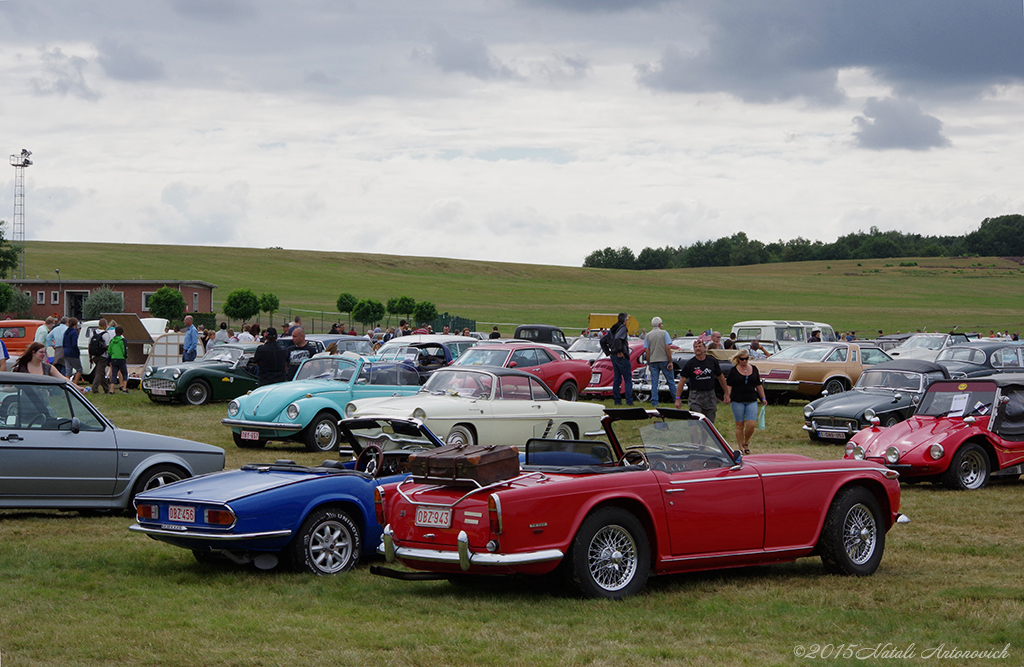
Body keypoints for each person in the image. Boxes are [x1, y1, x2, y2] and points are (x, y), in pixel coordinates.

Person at [723, 351, 768, 455]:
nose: (744, 361)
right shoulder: (733, 371)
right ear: (738, 359)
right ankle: (740, 447)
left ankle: (746, 442)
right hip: (737, 400)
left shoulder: (754, 369)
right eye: (742, 359)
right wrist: (727, 396)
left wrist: (763, 398)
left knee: (751, 424)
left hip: (751, 399)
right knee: (739, 425)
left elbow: (758, 385)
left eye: (746, 359)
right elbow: (729, 385)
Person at [674, 339, 726, 422]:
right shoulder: (690, 363)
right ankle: (694, 435)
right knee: (694, 422)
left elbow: (721, 377)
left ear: (704, 348)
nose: (697, 348)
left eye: (700, 346)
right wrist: (677, 398)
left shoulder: (712, 361)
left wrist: (726, 393)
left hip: (710, 395)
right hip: (695, 396)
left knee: (709, 423)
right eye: (695, 347)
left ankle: (705, 435)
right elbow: (682, 381)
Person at [644, 317, 677, 408]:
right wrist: (670, 361)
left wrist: (648, 363)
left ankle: (654, 401)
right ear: (660, 324)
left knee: (654, 382)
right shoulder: (664, 333)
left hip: (653, 361)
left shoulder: (648, 335)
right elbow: (667, 348)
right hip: (664, 360)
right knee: (670, 381)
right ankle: (676, 399)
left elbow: (647, 351)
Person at [605, 312, 633, 406]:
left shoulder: (613, 328)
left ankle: (617, 400)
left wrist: (608, 352)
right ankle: (629, 401)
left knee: (617, 378)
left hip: (613, 356)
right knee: (627, 379)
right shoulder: (623, 328)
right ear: (625, 320)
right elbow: (617, 339)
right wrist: (620, 351)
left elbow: (602, 341)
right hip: (620, 356)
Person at [89, 318, 112, 394]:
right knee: (99, 372)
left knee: (101, 372)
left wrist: (90, 356)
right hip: (103, 356)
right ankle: (94, 388)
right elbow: (107, 346)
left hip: (94, 356)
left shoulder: (93, 333)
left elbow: (89, 345)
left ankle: (106, 389)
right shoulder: (106, 334)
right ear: (105, 325)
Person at [108, 325, 130, 393]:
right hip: (121, 359)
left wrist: (112, 356)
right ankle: (124, 388)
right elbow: (124, 350)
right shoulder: (122, 340)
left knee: (114, 374)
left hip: (114, 358)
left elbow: (109, 350)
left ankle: (112, 389)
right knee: (124, 373)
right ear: (122, 332)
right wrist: (125, 356)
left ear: (115, 332)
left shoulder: (112, 340)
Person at [62, 318, 83, 384]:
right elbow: (74, 344)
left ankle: (67, 384)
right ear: (75, 324)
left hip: (66, 352)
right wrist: (77, 351)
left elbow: (63, 342)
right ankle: (75, 384)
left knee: (68, 370)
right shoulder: (74, 332)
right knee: (79, 369)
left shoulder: (66, 332)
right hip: (72, 353)